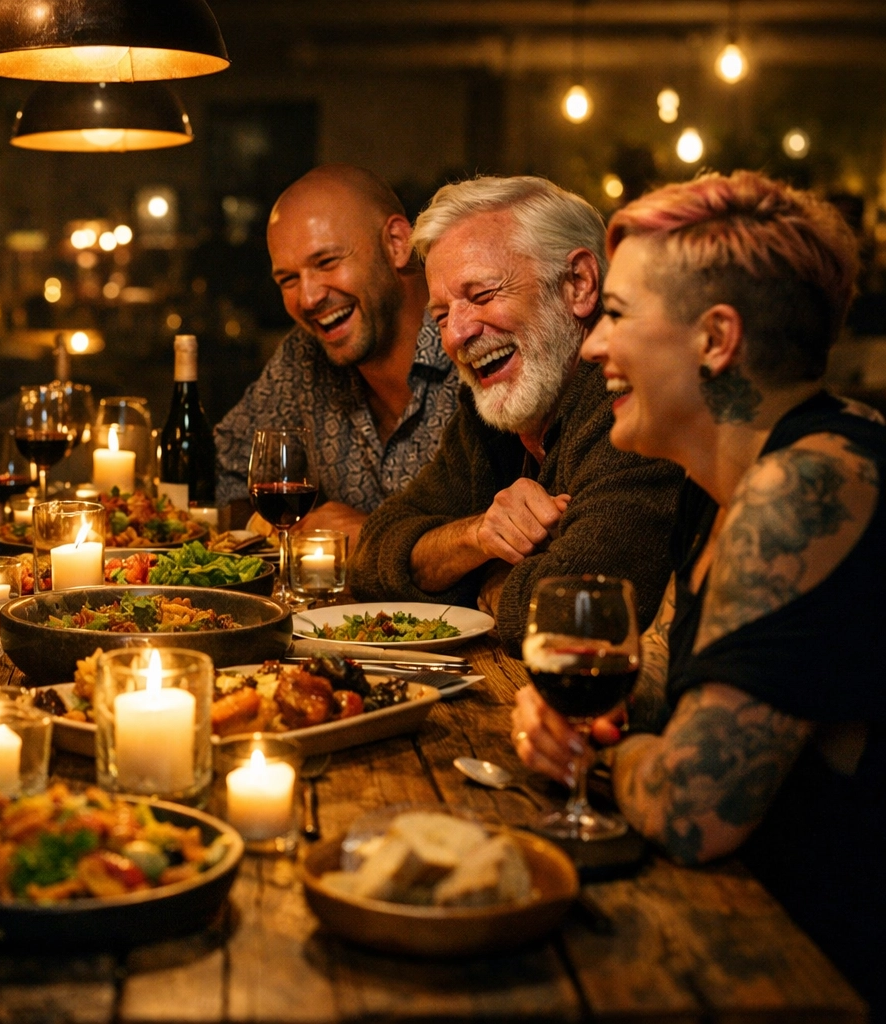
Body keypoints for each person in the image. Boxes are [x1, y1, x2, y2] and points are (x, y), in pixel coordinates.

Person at [511, 170, 885, 1008]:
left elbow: (692, 809)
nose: (592, 348)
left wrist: (592, 757)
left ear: (716, 338)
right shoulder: (724, 484)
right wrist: (568, 715)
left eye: (616, 314)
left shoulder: (810, 484)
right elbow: (653, 675)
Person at [350, 176, 683, 647]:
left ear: (579, 284)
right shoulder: (494, 414)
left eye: (482, 295)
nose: (456, 336)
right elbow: (371, 558)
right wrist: (476, 537)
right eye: (441, 316)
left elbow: (578, 617)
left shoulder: (634, 404)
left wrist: (487, 582)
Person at [214, 164, 461, 544]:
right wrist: (282, 531)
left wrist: (373, 537)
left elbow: (522, 540)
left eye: (327, 262)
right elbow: (223, 473)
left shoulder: (476, 343)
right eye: (288, 280)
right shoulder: (304, 357)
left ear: (397, 243)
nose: (308, 298)